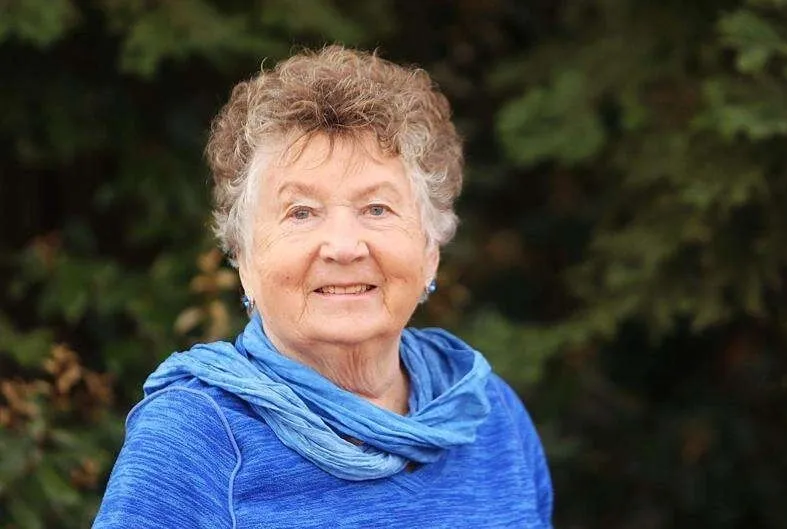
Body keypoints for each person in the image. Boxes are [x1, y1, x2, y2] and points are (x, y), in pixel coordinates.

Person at [93, 46, 553, 528]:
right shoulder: (194, 437)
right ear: (244, 260)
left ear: (431, 249)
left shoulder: (488, 412)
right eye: (301, 212)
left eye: (377, 209)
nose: (343, 246)